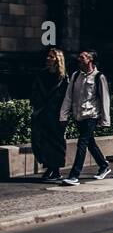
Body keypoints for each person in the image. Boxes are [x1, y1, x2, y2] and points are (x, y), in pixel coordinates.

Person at [58, 50, 111, 186]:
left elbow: (105, 99)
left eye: (82, 57)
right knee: (90, 143)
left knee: (82, 143)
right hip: (78, 115)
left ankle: (74, 175)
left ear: (90, 59)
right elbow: (68, 97)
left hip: (91, 115)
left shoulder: (99, 77)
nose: (79, 59)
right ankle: (104, 165)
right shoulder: (76, 76)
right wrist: (63, 115)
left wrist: (105, 120)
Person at [31, 47, 68, 180]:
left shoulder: (63, 78)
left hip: (56, 114)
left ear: (58, 60)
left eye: (51, 57)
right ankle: (50, 168)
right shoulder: (41, 74)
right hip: (41, 113)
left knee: (56, 143)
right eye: (48, 56)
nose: (48, 58)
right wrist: (35, 107)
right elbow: (35, 92)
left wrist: (64, 115)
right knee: (42, 142)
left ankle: (55, 170)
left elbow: (66, 98)